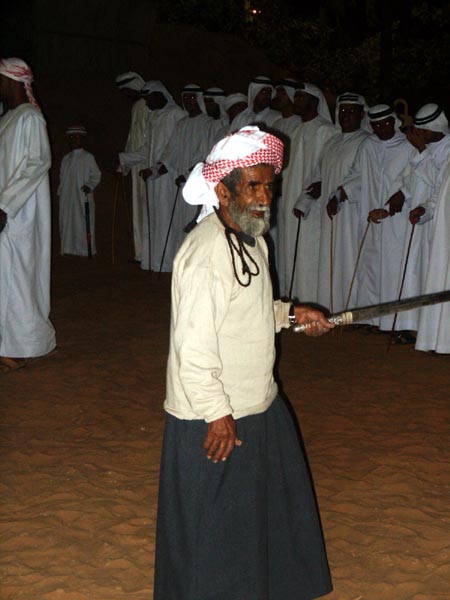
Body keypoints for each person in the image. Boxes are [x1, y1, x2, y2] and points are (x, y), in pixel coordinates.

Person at [154, 126, 334, 600]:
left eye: (268, 185)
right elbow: (192, 347)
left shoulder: (253, 238)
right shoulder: (205, 252)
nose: (263, 198)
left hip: (258, 402)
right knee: (213, 538)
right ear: (222, 188)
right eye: (252, 186)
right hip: (212, 416)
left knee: (260, 523)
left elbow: (250, 310)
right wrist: (217, 414)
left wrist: (293, 313)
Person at [334, 104, 416, 332]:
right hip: (370, 216)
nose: (382, 129)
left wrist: (392, 204)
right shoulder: (367, 145)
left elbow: (412, 179)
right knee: (369, 268)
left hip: (396, 221)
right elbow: (357, 175)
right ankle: (371, 319)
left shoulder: (408, 147)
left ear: (394, 121)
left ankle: (394, 322)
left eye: (385, 124)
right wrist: (342, 192)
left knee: (393, 269)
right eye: (377, 125)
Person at [0, 57, 56, 372]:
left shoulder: (30, 118)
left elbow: (38, 163)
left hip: (19, 213)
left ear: (12, 81)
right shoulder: (8, 118)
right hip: (6, 211)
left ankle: (23, 347)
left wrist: (5, 204)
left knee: (18, 278)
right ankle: (15, 343)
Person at [278, 82, 336, 300]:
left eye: (302, 97)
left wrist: (313, 193)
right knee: (291, 246)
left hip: (313, 201)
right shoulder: (295, 129)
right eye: (297, 97)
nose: (297, 101)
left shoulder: (326, 130)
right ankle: (293, 296)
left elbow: (325, 168)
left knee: (310, 248)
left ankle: (311, 299)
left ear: (314, 101)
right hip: (290, 197)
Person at [315, 92, 370, 312]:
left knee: (350, 258)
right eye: (343, 110)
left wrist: (341, 194)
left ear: (361, 114)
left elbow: (362, 176)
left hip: (351, 212)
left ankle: (351, 308)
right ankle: (330, 306)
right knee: (330, 258)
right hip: (329, 212)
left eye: (352, 111)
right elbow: (320, 173)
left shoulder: (365, 141)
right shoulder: (332, 142)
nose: (346, 115)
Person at [156, 83, 213, 255]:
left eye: (192, 98)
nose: (189, 102)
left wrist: (189, 175)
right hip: (179, 180)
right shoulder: (181, 123)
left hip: (195, 181)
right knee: (178, 223)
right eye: (185, 98)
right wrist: (160, 167)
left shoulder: (207, 123)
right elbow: (171, 149)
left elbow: (204, 152)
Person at [134, 81, 185, 271]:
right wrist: (125, 158)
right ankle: (153, 261)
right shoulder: (153, 117)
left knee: (165, 218)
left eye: (149, 99)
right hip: (153, 176)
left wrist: (158, 168)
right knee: (153, 217)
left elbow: (175, 147)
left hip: (168, 176)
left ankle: (167, 263)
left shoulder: (177, 115)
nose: (147, 104)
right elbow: (148, 148)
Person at [115, 71, 148, 262]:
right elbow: (131, 139)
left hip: (147, 164)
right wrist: (123, 165)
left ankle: (148, 253)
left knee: (146, 210)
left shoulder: (148, 107)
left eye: (128, 91)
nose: (126, 96)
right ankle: (140, 253)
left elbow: (149, 144)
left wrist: (127, 158)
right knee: (137, 211)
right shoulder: (136, 107)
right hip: (135, 165)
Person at [58, 125, 101, 256]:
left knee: (83, 220)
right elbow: (61, 178)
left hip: (82, 196)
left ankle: (85, 250)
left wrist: (90, 185)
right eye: (71, 137)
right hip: (67, 197)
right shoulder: (66, 158)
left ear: (82, 139)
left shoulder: (88, 157)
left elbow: (96, 175)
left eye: (77, 137)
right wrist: (60, 192)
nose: (74, 140)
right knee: (67, 221)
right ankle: (68, 249)